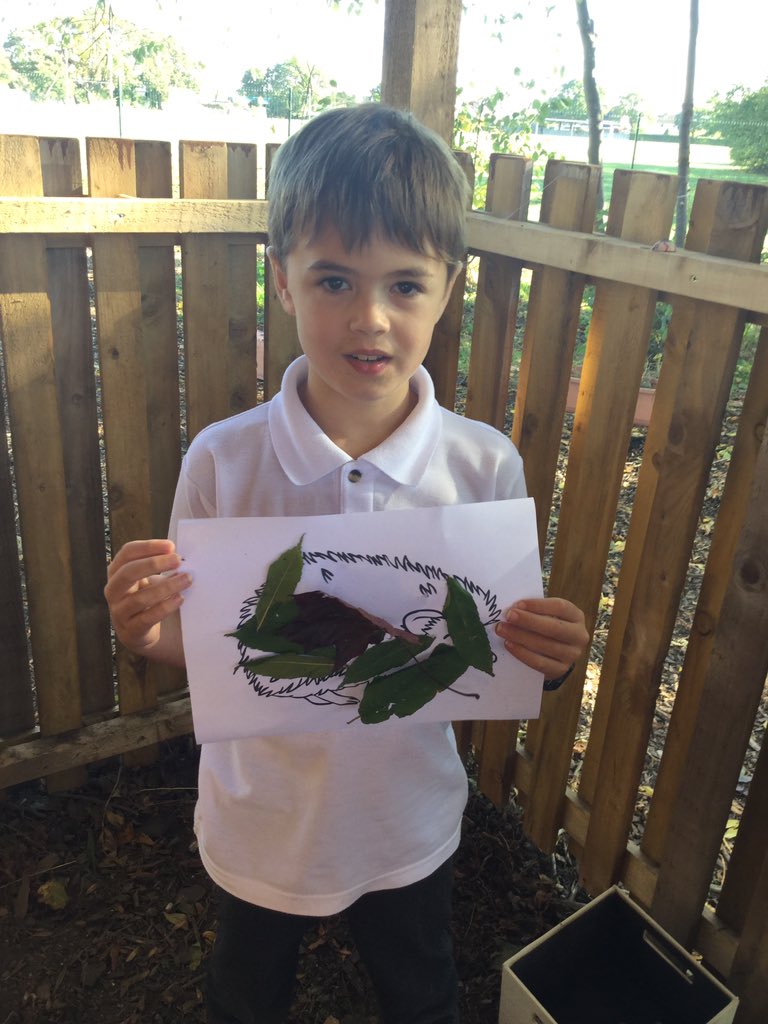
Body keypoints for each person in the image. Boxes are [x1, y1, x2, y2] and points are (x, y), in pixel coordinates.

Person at [104, 103, 589, 1024]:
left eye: (406, 285)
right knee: (245, 996)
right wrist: (152, 628)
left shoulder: (483, 465)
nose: (370, 318)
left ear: (450, 288)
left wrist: (553, 657)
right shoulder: (224, 459)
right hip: (261, 823)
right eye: (333, 279)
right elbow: (199, 643)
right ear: (280, 280)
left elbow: (500, 646)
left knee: (421, 992)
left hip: (407, 819)